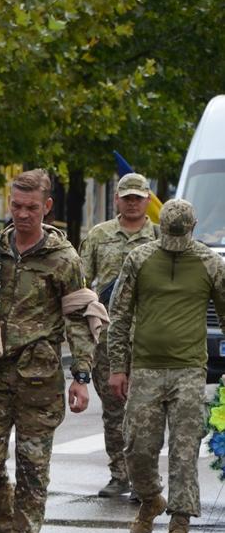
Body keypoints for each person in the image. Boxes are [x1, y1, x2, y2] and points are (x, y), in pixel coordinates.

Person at [0, 169, 97, 533]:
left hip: (39, 378)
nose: (22, 215)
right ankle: (6, 531)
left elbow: (79, 319)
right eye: (16, 206)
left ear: (47, 207)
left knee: (32, 467)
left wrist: (81, 374)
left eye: (31, 208)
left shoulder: (63, 258)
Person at [108, 198, 225, 533]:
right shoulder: (140, 259)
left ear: (192, 229)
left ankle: (180, 525)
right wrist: (117, 367)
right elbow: (120, 315)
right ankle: (151, 498)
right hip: (145, 367)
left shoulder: (210, 263)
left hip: (189, 369)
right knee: (137, 447)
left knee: (184, 450)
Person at [79, 172, 159, 498]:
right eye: (127, 197)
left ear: (147, 200)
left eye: (138, 197)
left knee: (144, 412)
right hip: (109, 335)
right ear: (117, 200)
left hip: (148, 335)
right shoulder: (99, 236)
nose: (132, 202)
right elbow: (82, 281)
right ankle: (118, 473)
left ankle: (143, 479)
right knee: (113, 410)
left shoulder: (160, 238)